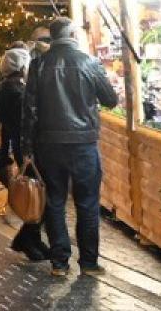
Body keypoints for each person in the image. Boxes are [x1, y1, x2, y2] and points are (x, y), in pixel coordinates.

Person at [25, 17, 120, 278]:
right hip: (83, 143)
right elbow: (110, 100)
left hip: (49, 144)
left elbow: (30, 110)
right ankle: (88, 262)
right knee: (87, 202)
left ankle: (59, 262)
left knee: (54, 201)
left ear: (52, 37)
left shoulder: (39, 64)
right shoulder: (88, 62)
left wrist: (26, 147)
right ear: (73, 34)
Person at [0, 45, 49, 263]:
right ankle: (27, 238)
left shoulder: (6, 87)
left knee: (36, 195)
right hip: (26, 147)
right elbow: (25, 121)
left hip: (18, 145)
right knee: (37, 196)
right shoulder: (16, 91)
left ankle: (31, 239)